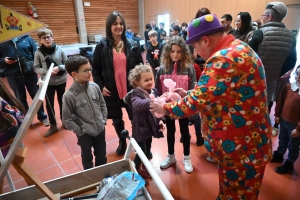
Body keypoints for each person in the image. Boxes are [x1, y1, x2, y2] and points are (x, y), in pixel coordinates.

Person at [150, 14, 272, 199]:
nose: (196, 53)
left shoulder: (224, 59)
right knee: (230, 191)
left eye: (195, 47)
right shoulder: (238, 48)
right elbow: (216, 93)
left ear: (205, 41)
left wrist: (163, 108)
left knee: (237, 195)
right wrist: (188, 93)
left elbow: (195, 104)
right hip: (244, 145)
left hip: (241, 149)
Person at [92, 11, 143, 156]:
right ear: (109, 26)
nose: (119, 26)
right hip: (111, 90)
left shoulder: (133, 45)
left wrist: (140, 86)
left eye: (121, 23)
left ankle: (138, 142)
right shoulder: (102, 46)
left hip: (130, 89)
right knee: (116, 119)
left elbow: (140, 67)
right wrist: (100, 86)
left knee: (136, 117)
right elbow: (95, 69)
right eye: (115, 23)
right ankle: (122, 142)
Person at [155, 36, 196, 173]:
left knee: (185, 132)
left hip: (183, 107)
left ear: (183, 52)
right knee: (170, 132)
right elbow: (156, 90)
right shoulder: (161, 70)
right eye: (172, 51)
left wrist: (186, 93)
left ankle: (187, 157)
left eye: (179, 52)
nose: (175, 54)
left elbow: (194, 90)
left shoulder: (189, 69)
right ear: (168, 52)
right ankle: (171, 156)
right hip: (167, 108)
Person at [248, 1, 296, 115]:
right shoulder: (291, 36)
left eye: (263, 15)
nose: (263, 18)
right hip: (271, 80)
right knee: (265, 107)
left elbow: (247, 56)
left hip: (253, 79)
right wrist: (277, 73)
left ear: (270, 17)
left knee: (249, 107)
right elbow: (291, 61)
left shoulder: (260, 33)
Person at [62, 55, 107, 170]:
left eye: (90, 69)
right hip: (85, 134)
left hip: (100, 129)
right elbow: (67, 120)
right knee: (87, 157)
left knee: (102, 156)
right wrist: (81, 131)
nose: (89, 72)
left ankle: (102, 177)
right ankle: (92, 179)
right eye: (85, 70)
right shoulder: (69, 95)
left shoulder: (95, 87)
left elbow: (102, 104)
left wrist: (103, 120)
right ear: (74, 74)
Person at [123, 64, 163, 178]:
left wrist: (160, 120)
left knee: (148, 147)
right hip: (140, 128)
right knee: (141, 152)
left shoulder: (153, 91)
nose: (150, 82)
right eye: (146, 80)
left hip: (150, 126)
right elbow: (138, 104)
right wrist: (153, 101)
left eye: (151, 79)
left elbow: (158, 110)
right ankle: (135, 169)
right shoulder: (135, 93)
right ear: (137, 82)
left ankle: (145, 166)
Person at [0, 35, 49, 126]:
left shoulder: (27, 38)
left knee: (37, 97)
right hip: (13, 75)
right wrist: (4, 61)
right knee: (20, 99)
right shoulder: (2, 40)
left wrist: (37, 67)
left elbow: (36, 54)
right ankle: (26, 120)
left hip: (30, 74)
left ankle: (42, 117)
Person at [0, 81, 34, 193]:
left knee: (22, 169)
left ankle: (37, 192)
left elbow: (18, 119)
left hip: (9, 139)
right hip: (9, 137)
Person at [33, 28, 68, 138]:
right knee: (49, 105)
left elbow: (67, 64)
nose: (47, 39)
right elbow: (35, 68)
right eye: (44, 38)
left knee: (63, 102)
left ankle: (65, 122)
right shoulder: (38, 53)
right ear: (40, 40)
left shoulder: (60, 50)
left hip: (61, 81)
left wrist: (59, 67)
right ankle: (53, 125)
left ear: (52, 37)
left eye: (48, 37)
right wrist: (46, 72)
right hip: (47, 83)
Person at [270, 65, 300, 174]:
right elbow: (280, 101)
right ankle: (279, 154)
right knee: (282, 139)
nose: (298, 77)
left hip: (295, 126)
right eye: (297, 74)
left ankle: (289, 163)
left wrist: (298, 129)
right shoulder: (288, 87)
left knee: (293, 145)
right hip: (284, 120)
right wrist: (277, 115)